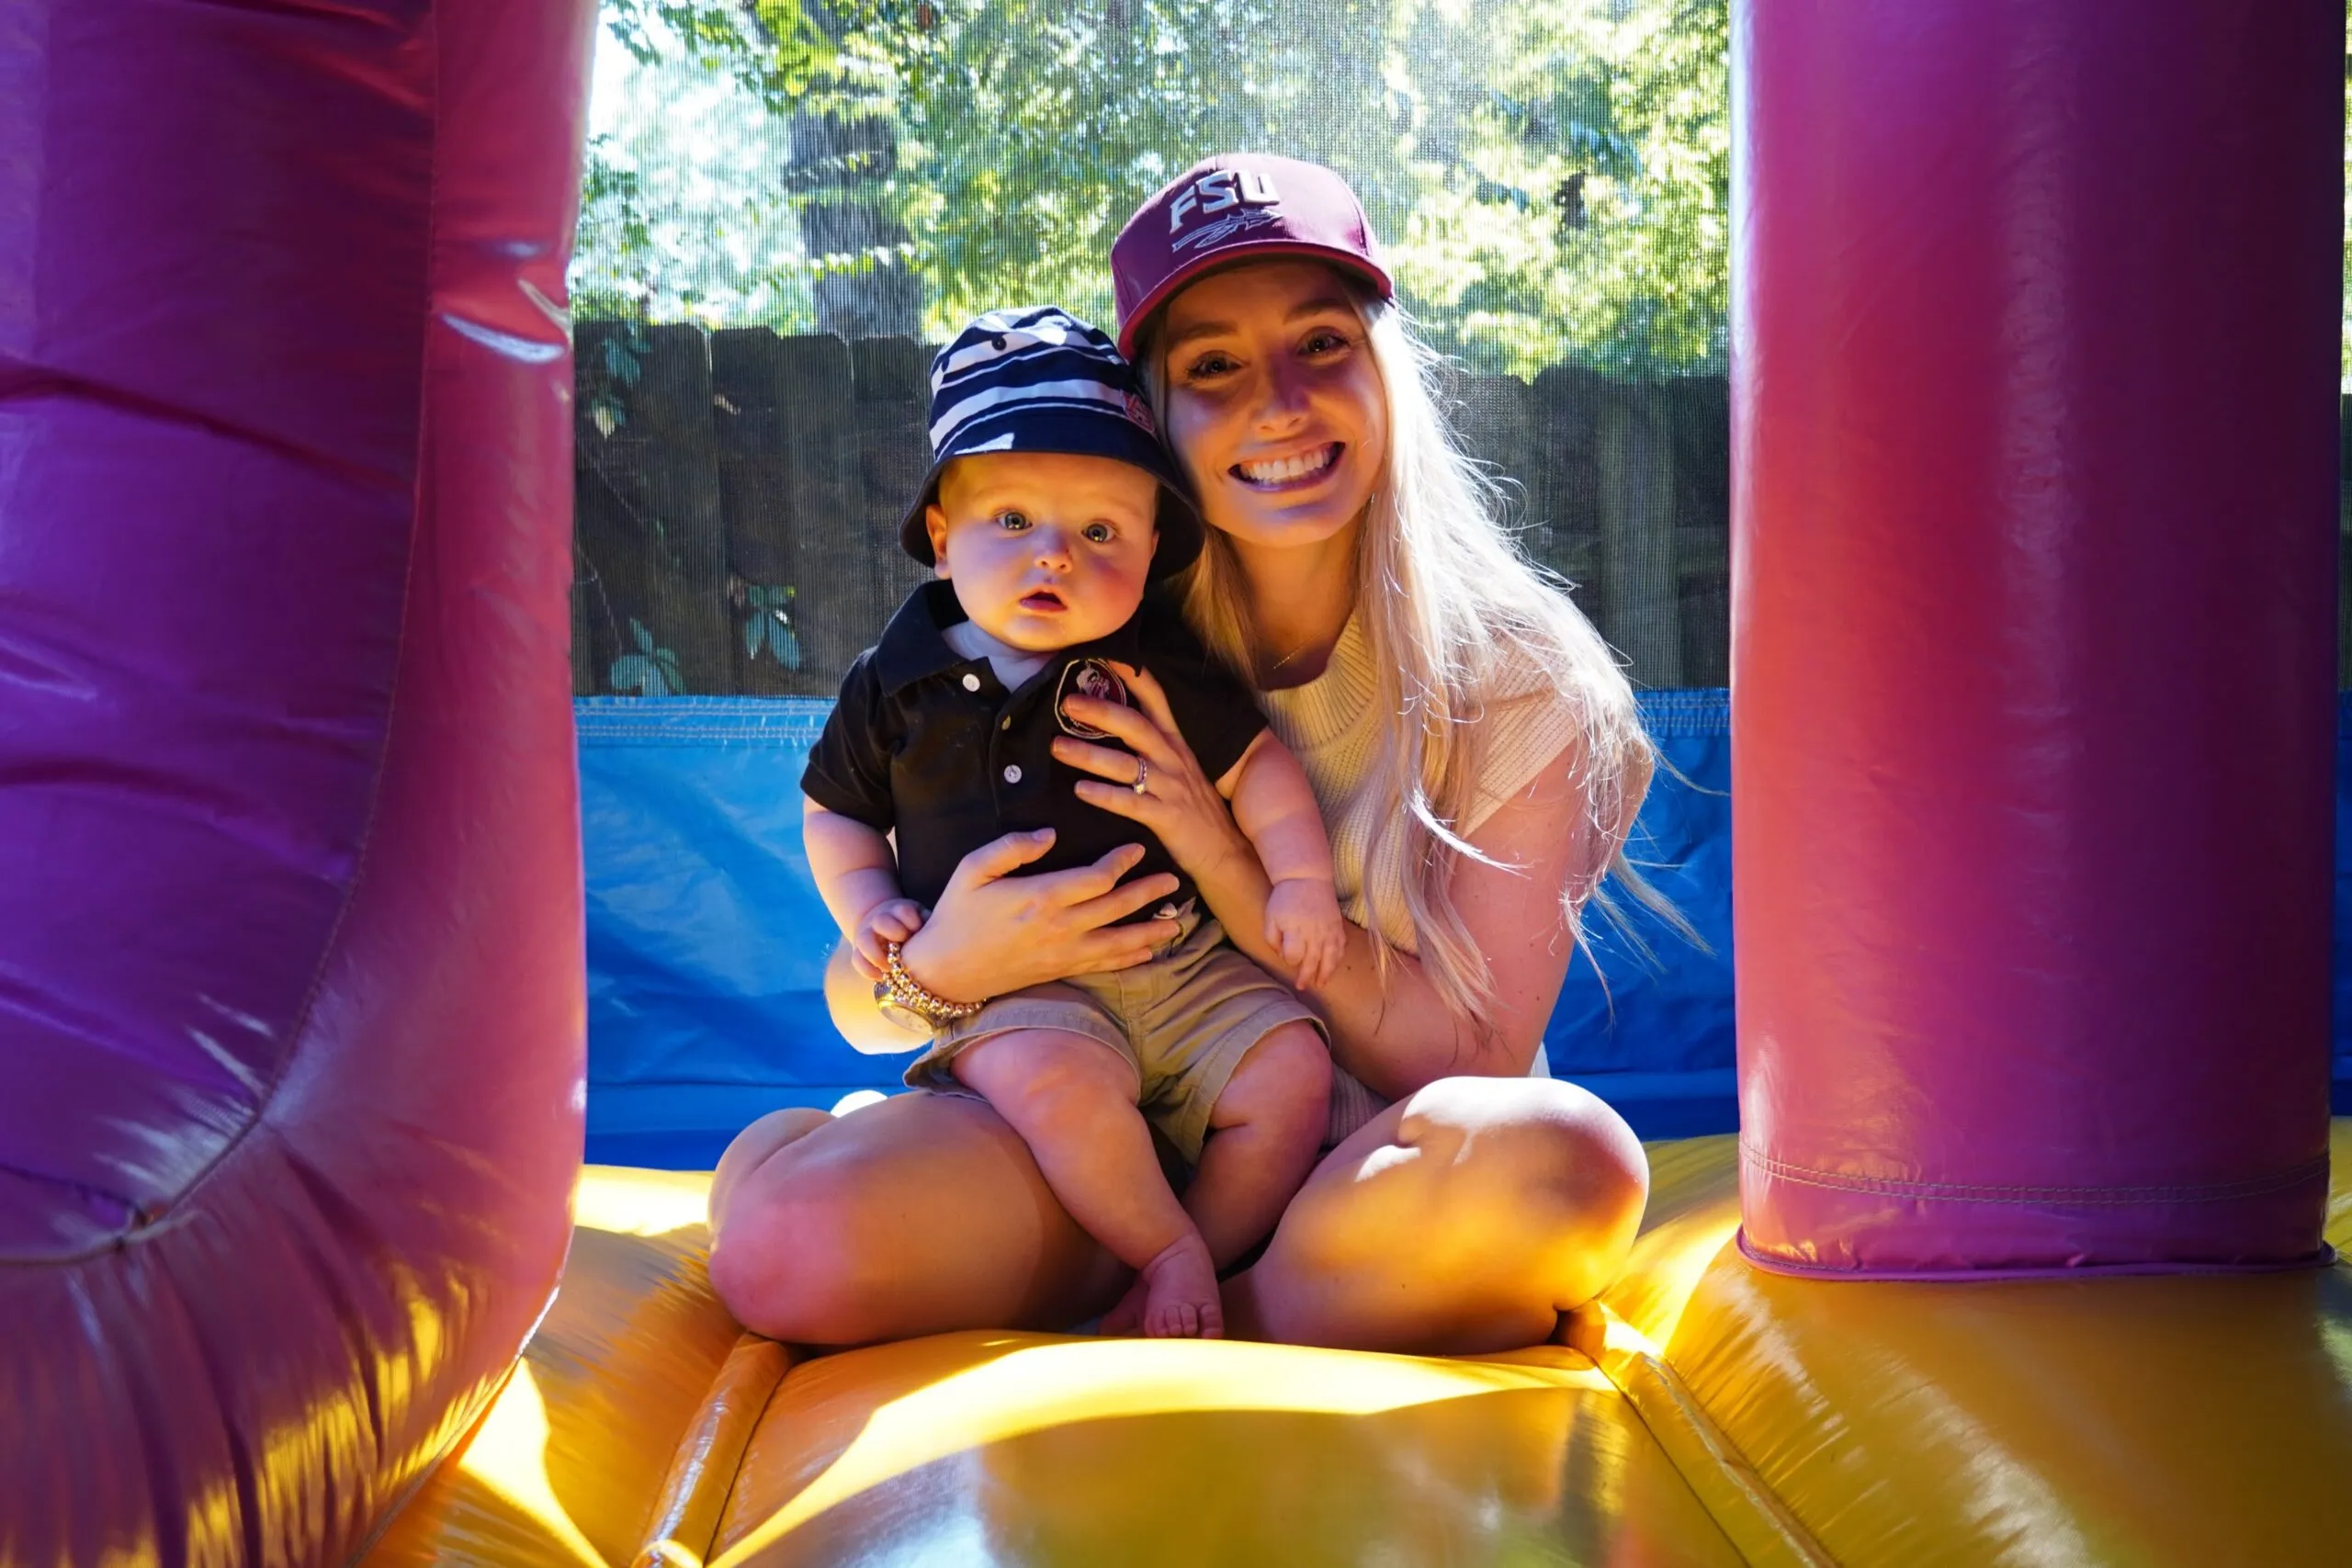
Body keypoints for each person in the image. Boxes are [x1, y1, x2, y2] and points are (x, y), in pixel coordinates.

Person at [709, 153, 1657, 1357]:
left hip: (1360, 1175)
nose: (1277, 400)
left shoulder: (1521, 676)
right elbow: (862, 1004)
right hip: (1090, 1134)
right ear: (1151, 420)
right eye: (1213, 366)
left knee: (1561, 1163)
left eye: (1322, 342)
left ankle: (1205, 1299)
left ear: (1385, 373)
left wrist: (1226, 860)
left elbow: (1460, 1053)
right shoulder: (1068, 619)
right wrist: (942, 959)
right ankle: (1136, 1257)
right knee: (787, 1238)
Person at [799, 306, 1343, 1337]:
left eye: (1100, 533)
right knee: (1054, 1087)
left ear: (1147, 553)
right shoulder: (895, 682)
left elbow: (1260, 771)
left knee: (1292, 1070)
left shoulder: (1149, 666)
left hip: (1183, 967)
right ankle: (1164, 1248)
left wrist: (1301, 885)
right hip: (1021, 992)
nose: (1054, 556)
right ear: (942, 536)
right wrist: (866, 903)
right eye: (1013, 523)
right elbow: (836, 810)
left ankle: (1199, 1263)